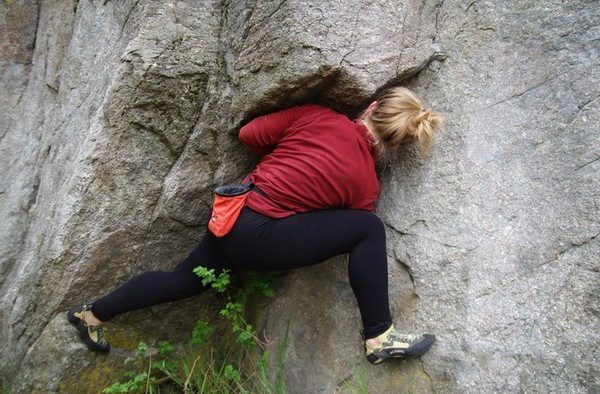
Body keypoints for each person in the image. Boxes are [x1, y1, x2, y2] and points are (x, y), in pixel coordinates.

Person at [68, 86, 442, 364]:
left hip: (232, 216)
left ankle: (92, 314)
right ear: (394, 145)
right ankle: (379, 337)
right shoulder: (366, 184)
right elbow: (337, 225)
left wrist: (289, 155)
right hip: (264, 238)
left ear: (372, 107)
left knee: (183, 280)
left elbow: (248, 134)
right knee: (368, 228)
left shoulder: (316, 114)